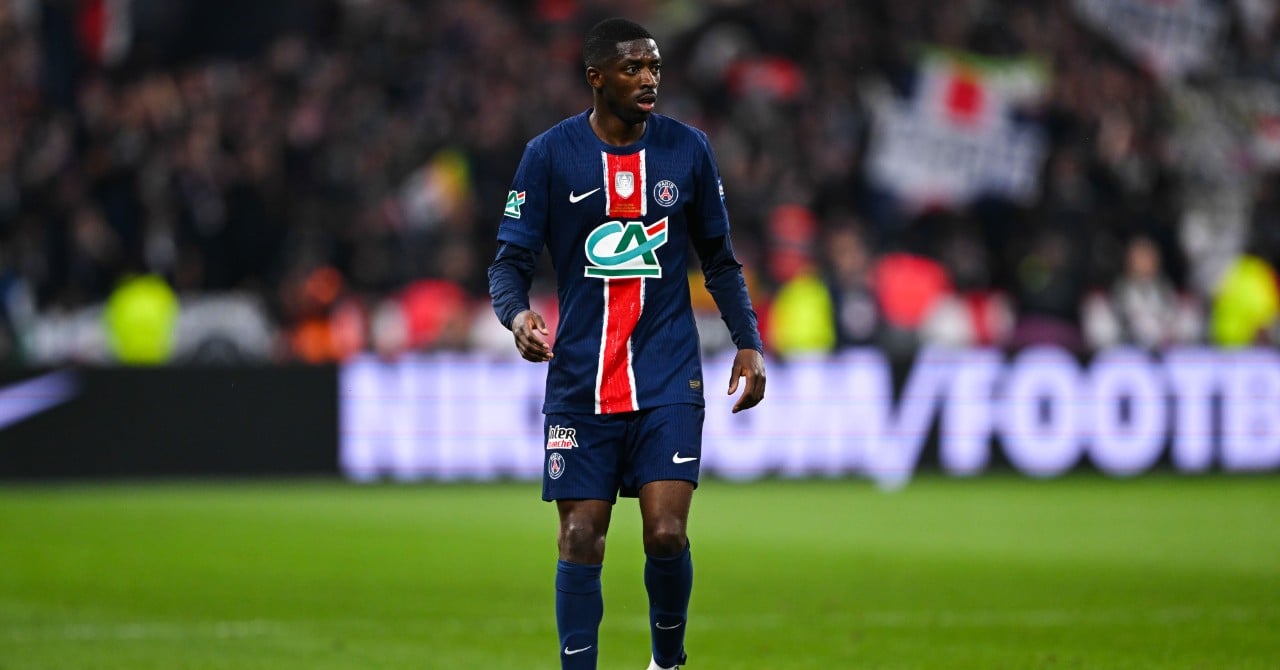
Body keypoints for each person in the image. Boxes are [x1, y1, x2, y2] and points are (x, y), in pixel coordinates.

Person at [487, 17, 766, 670]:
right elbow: (509, 262)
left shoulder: (687, 150)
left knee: (666, 533)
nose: (649, 79)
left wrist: (748, 342)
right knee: (580, 536)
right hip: (581, 380)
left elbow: (720, 260)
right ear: (596, 77)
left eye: (655, 67)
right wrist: (517, 316)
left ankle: (667, 662)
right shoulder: (549, 155)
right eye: (633, 68)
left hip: (668, 374)